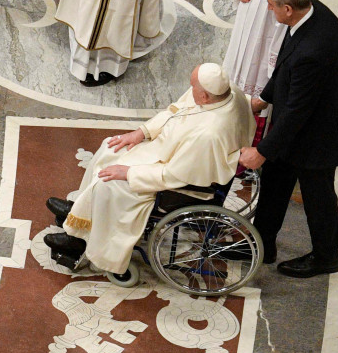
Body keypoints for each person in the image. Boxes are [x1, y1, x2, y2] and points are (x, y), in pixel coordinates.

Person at [44, 64, 255, 274]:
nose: (189, 90)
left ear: (205, 97)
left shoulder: (210, 134)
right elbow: (175, 111)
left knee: (109, 183)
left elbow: (174, 175)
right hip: (170, 151)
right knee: (110, 147)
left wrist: (128, 173)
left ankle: (80, 243)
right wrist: (142, 132)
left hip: (180, 183)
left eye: (193, 87)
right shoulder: (226, 92)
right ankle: (79, 213)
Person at [239, 0, 338, 278]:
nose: (269, 9)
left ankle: (327, 256)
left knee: (319, 198)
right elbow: (285, 64)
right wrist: (263, 98)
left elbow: (298, 111)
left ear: (287, 9)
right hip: (296, 126)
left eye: (272, 5)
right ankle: (262, 244)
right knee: (275, 181)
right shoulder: (312, 13)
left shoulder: (313, 50)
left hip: (318, 135)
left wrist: (262, 150)